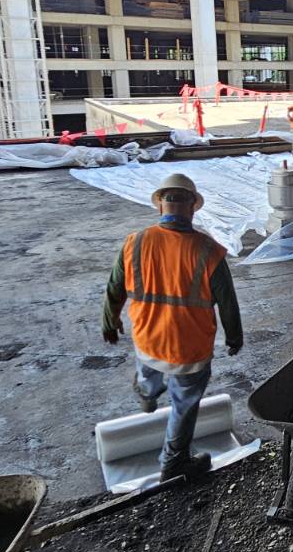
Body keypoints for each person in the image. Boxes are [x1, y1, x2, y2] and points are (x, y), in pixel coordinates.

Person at [102, 173, 242, 482]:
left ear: (160, 206)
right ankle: (174, 462)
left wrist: (110, 322)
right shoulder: (209, 251)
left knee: (149, 369)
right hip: (189, 349)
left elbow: (114, 288)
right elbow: (227, 302)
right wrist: (234, 337)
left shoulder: (135, 242)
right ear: (193, 208)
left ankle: (147, 393)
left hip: (147, 338)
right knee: (183, 405)